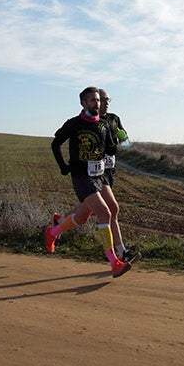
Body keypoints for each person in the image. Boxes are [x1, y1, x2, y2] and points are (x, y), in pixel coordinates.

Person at [45, 86, 131, 278]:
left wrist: (118, 140)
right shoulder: (74, 124)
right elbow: (55, 144)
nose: (97, 103)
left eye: (98, 100)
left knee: (83, 217)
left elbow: (111, 148)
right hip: (81, 177)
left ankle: (53, 232)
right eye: (92, 100)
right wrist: (63, 166)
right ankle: (114, 261)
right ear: (83, 103)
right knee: (105, 212)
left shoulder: (104, 124)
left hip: (99, 176)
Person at [98, 88, 139, 264]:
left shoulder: (114, 119)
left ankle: (57, 225)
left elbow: (126, 144)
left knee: (87, 212)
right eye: (102, 99)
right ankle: (121, 252)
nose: (106, 102)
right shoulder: (90, 121)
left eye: (108, 99)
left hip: (110, 171)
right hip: (96, 173)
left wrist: (122, 140)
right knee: (113, 209)